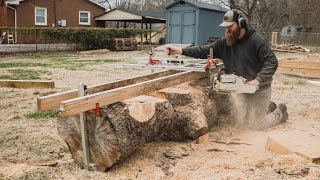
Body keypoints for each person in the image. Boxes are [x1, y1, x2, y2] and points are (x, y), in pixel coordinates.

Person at [166, 9, 288, 130]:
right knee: (238, 120)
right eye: (226, 27)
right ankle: (268, 107)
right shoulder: (225, 43)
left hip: (259, 89)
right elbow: (203, 50)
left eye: (230, 26)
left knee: (256, 125)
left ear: (241, 24)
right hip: (241, 90)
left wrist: (258, 80)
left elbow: (272, 61)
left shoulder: (256, 41)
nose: (227, 29)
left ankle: (280, 111)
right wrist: (180, 50)